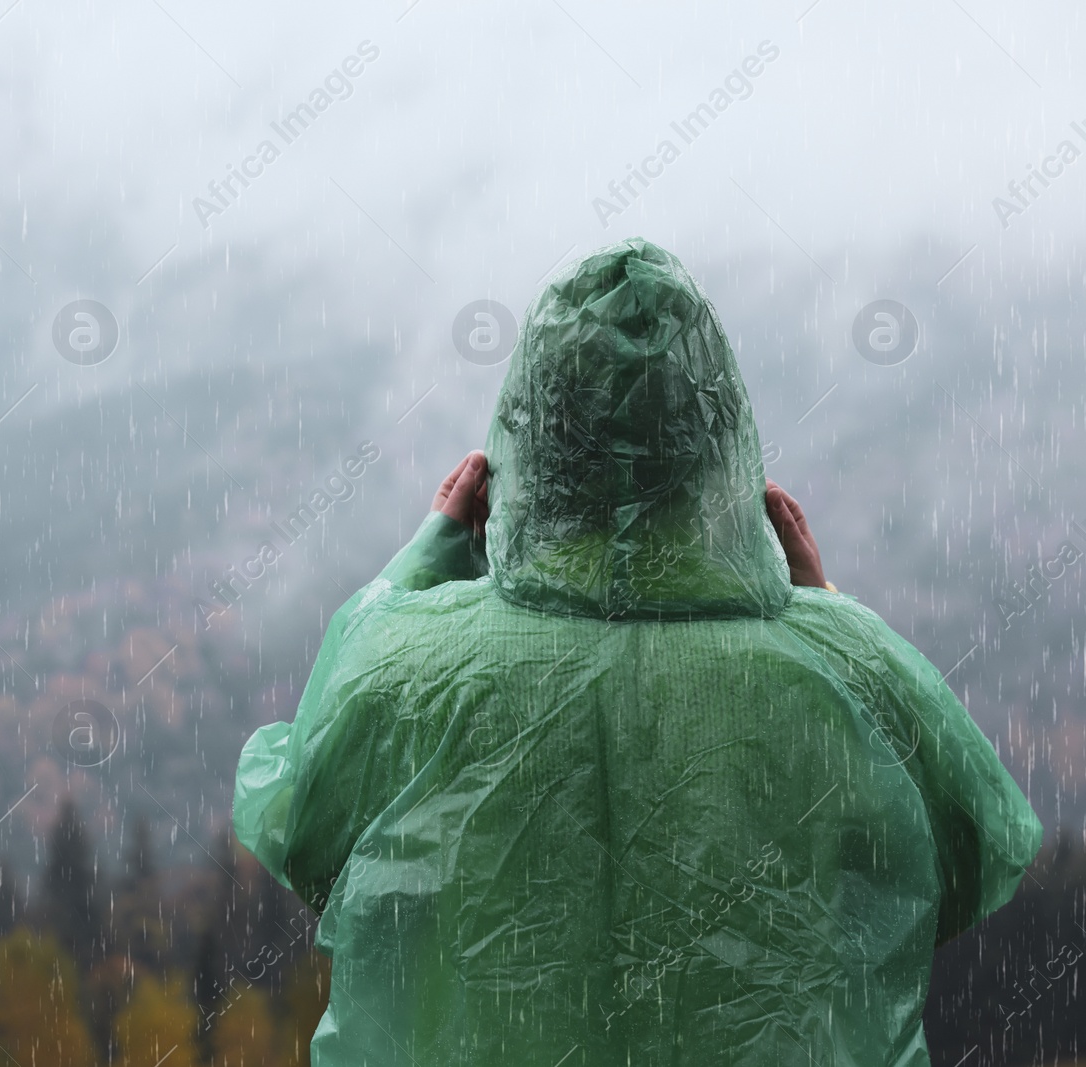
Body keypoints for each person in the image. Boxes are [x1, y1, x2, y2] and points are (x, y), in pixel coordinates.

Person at [232, 238, 1041, 1064]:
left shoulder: (404, 671)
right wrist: (823, 614)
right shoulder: (856, 670)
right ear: (720, 440)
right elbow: (969, 858)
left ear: (525, 439)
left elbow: (299, 820)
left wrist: (419, 570)